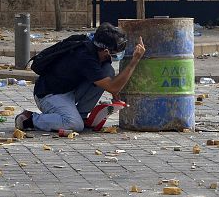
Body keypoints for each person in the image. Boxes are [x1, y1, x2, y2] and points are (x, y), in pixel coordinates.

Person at [15, 23, 145, 132]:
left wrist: (114, 91)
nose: (117, 55)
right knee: (74, 125)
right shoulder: (85, 58)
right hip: (49, 95)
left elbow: (110, 83)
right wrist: (134, 61)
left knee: (107, 71)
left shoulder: (94, 48)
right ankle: (30, 118)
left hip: (69, 90)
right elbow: (113, 87)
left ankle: (81, 115)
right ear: (105, 50)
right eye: (115, 51)